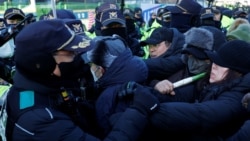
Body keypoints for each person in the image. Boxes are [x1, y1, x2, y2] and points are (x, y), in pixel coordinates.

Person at [5, 19, 159, 141]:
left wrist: (113, 94)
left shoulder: (42, 87)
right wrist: (138, 110)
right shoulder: (41, 119)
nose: (78, 59)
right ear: (41, 63)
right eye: (71, 53)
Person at [147, 40, 250, 140]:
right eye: (214, 61)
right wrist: (151, 89)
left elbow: (200, 114)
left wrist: (150, 107)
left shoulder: (237, 99)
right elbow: (179, 96)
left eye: (221, 64)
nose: (214, 66)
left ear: (237, 73)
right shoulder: (207, 84)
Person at [84, 35, 148, 139]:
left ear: (101, 69)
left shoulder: (107, 98)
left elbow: (105, 132)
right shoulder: (138, 76)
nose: (91, 68)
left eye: (92, 64)